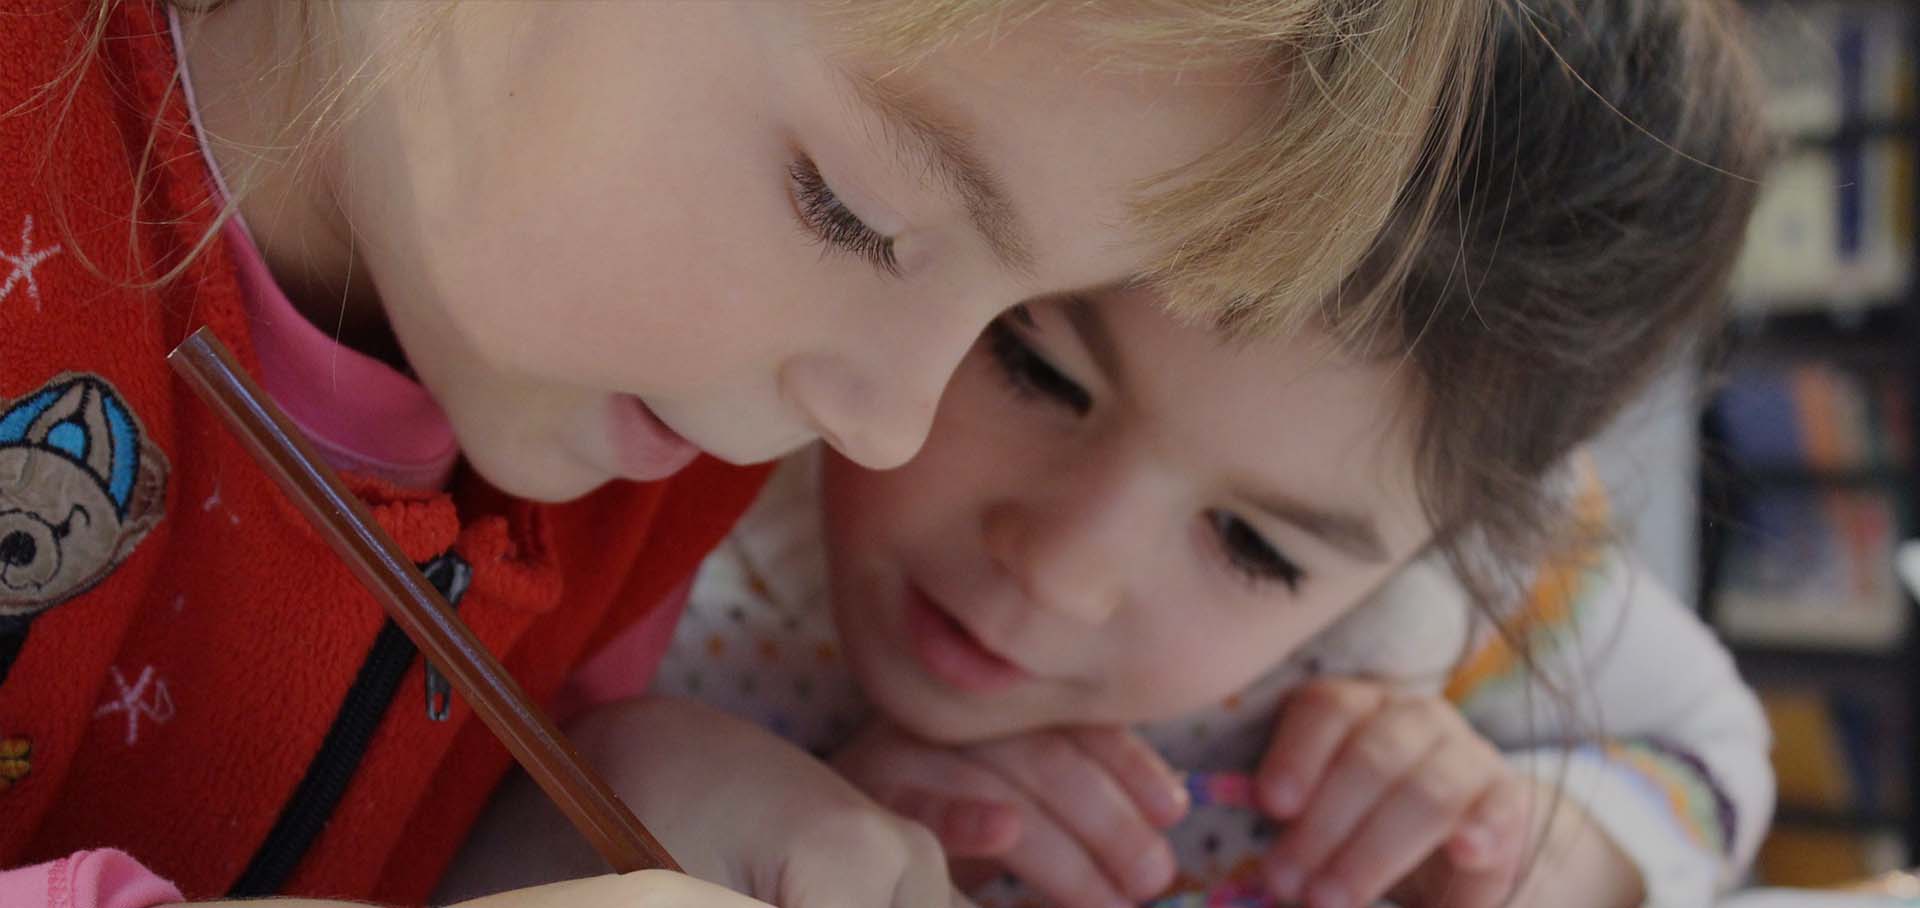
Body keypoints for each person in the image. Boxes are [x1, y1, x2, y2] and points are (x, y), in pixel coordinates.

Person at [0, 1, 1492, 908]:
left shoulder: (650, 438)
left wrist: (623, 821)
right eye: (853, 212)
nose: (888, 423)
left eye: (1014, 312)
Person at [609, 1, 1774, 906]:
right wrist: (706, 800)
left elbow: (1712, 746)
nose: (1061, 570)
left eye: (1255, 547)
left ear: (1451, 549)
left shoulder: (1446, 608)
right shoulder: (677, 429)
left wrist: (1550, 838)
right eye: (1039, 371)